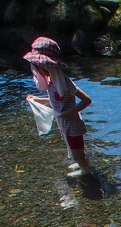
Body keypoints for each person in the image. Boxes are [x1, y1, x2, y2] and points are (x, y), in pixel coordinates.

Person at [23, 37, 93, 178]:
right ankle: (80, 162)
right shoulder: (51, 82)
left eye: (38, 65)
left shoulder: (64, 82)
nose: (36, 69)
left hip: (72, 123)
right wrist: (37, 100)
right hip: (64, 122)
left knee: (77, 149)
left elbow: (87, 100)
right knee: (74, 148)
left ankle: (85, 169)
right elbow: (56, 100)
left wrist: (70, 113)